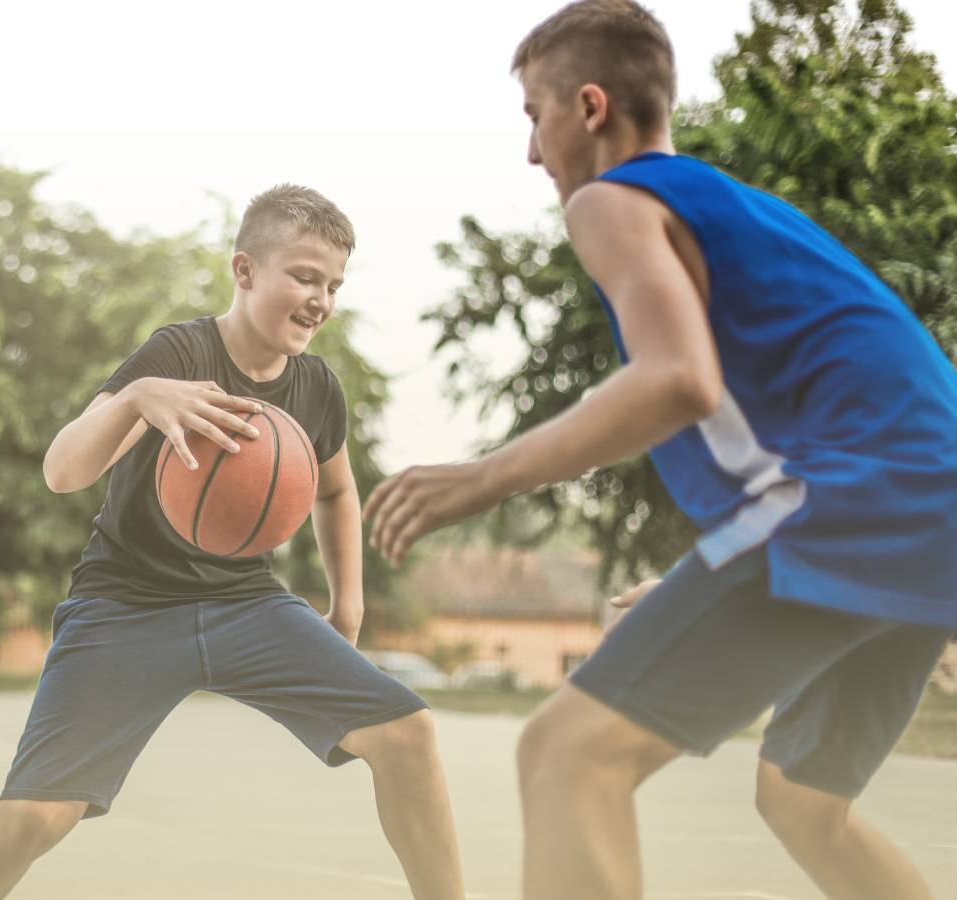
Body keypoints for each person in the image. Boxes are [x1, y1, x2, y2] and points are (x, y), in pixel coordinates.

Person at [364, 2, 957, 898]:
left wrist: (482, 477)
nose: (532, 151)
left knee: (567, 755)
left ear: (590, 107)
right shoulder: (737, 209)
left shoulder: (617, 198)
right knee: (803, 800)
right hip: (921, 518)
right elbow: (834, 407)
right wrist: (711, 564)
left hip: (854, 506)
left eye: (534, 115)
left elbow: (678, 380)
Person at [0, 184, 465, 900]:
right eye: (306, 277)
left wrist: (348, 604)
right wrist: (138, 397)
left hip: (245, 604)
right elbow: (62, 470)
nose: (321, 299)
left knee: (407, 733)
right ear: (245, 270)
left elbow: (337, 489)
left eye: (334, 285)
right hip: (126, 606)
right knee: (35, 817)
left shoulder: (316, 387)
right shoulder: (178, 351)